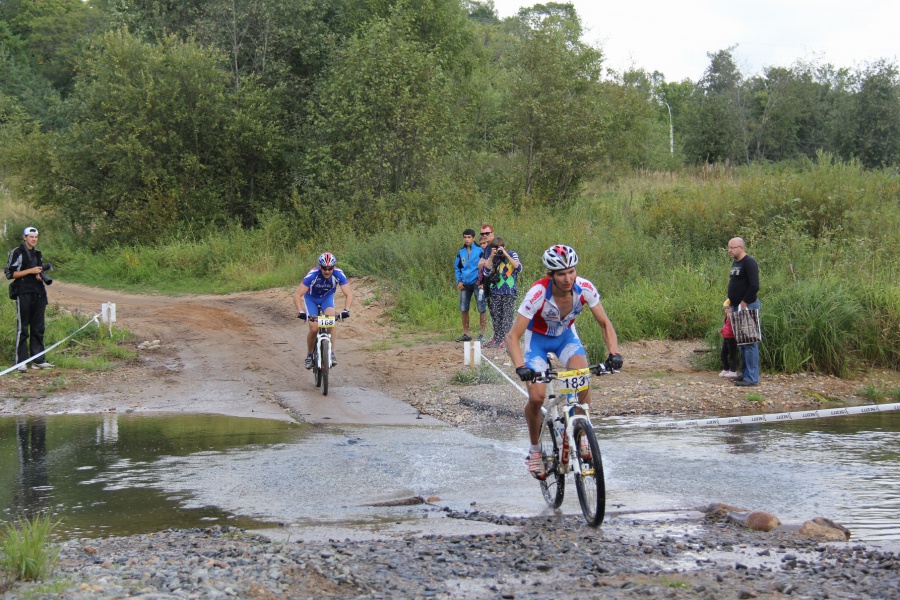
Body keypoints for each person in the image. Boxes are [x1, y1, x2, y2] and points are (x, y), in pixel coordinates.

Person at [505, 244, 622, 478]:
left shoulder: (584, 288)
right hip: (537, 341)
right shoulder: (538, 293)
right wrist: (520, 368)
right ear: (551, 275)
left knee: (581, 378)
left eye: (571, 271)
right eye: (561, 274)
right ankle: (535, 450)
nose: (568, 278)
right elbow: (512, 336)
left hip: (565, 338)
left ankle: (582, 433)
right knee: (537, 398)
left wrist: (614, 353)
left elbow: (605, 323)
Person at [5, 227, 53, 372]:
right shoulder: (17, 252)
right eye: (31, 236)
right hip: (23, 293)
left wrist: (38, 275)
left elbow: (36, 273)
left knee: (38, 328)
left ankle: (38, 360)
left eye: (36, 237)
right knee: (23, 328)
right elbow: (10, 273)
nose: (34, 239)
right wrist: (30, 271)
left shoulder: (37, 253)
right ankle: (21, 361)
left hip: (38, 293)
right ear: (24, 237)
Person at [293, 252, 352, 369]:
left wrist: (346, 310)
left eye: (330, 268)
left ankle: (331, 353)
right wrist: (301, 312)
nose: (327, 271)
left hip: (327, 299)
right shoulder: (312, 275)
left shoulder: (338, 274)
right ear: (320, 267)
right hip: (311, 299)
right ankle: (309, 356)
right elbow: (297, 295)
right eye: (324, 268)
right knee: (314, 328)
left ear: (333, 267)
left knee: (331, 322)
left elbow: (349, 294)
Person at [726, 237, 760, 386]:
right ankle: (745, 374)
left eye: (732, 248)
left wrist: (744, 302)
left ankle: (752, 378)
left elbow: (754, 285)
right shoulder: (736, 263)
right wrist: (730, 303)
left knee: (750, 341)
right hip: (736, 307)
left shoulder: (749, 262)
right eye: (729, 248)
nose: (729, 250)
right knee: (742, 342)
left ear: (741, 248)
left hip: (747, 306)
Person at [481, 237, 522, 349]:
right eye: (495, 249)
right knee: (496, 317)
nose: (499, 251)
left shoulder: (512, 254)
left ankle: (506, 339)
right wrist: (491, 257)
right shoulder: (492, 258)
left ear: (504, 247)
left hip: (509, 291)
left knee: (507, 317)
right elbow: (486, 272)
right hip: (495, 291)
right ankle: (497, 338)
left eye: (500, 248)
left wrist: (506, 255)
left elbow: (519, 268)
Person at [454, 228, 485, 342]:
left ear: (473, 238)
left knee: (481, 308)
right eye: (465, 237)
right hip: (465, 284)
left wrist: (482, 281)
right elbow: (457, 267)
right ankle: (467, 333)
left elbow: (484, 266)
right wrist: (459, 281)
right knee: (463, 308)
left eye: (469, 237)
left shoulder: (479, 251)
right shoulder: (460, 252)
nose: (467, 239)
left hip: (477, 283)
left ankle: (482, 334)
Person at [718, 299, 739, 378]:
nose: (726, 310)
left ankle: (733, 370)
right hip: (726, 337)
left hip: (732, 338)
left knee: (732, 355)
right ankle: (726, 368)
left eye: (728, 308)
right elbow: (726, 327)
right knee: (723, 354)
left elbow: (735, 327)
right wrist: (722, 330)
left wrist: (731, 318)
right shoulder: (726, 318)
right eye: (725, 309)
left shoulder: (733, 317)